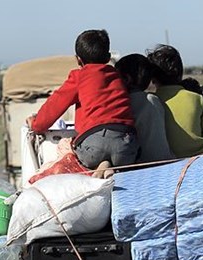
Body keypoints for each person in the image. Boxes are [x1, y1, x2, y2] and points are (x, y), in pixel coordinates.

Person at [26, 29, 139, 172]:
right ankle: (107, 166)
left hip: (92, 147)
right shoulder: (118, 77)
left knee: (65, 145)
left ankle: (100, 165)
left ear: (78, 59)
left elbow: (55, 105)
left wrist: (36, 124)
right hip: (126, 148)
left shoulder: (79, 77)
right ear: (108, 56)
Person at [146, 44, 203, 158]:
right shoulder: (195, 99)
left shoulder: (150, 103)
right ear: (180, 73)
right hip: (199, 159)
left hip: (166, 162)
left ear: (152, 79)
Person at [114, 53, 174, 163]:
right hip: (167, 161)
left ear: (126, 79)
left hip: (142, 165)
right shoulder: (154, 100)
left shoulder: (124, 104)